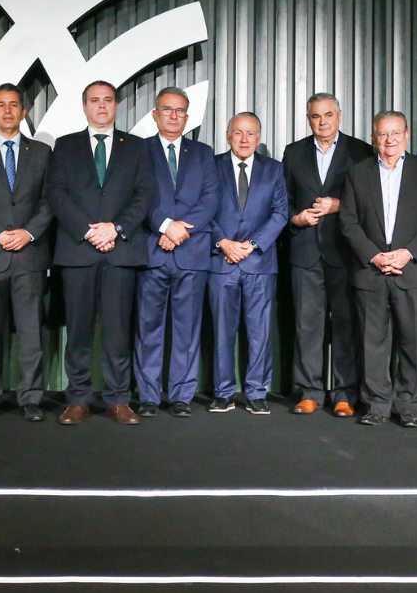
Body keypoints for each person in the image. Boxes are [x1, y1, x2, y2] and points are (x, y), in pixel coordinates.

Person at [46, 81, 153, 425]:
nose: (102, 106)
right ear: (85, 106)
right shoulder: (65, 146)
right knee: (78, 330)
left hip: (121, 251)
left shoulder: (135, 147)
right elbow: (56, 194)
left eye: (108, 100)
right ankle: (77, 399)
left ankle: (118, 399)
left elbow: (144, 195)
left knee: (118, 330)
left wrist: (115, 228)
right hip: (79, 251)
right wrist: (89, 231)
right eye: (95, 100)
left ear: (117, 106)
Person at [339, 111, 417, 427]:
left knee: (414, 343)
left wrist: (408, 253)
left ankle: (409, 408)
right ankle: (377, 405)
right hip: (371, 271)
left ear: (406, 135)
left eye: (395, 133)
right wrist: (374, 256)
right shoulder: (358, 172)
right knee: (373, 344)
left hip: (412, 271)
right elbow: (348, 221)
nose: (389, 140)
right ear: (374, 138)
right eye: (383, 134)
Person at [282, 93, 373, 416]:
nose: (322, 122)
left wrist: (338, 205)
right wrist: (296, 217)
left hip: (346, 253)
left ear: (339, 115)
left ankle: (345, 393)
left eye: (328, 115)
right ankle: (310, 392)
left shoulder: (361, 151)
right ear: (308, 119)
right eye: (316, 116)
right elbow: (284, 200)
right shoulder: (294, 152)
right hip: (305, 250)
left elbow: (372, 203)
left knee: (346, 326)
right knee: (307, 326)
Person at [0, 83, 53, 423]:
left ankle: (30, 398)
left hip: (30, 256)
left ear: (24, 111)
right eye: (0, 105)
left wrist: (29, 232)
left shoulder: (43, 153)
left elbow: (50, 200)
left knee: (31, 335)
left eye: (14, 105)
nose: (7, 111)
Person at [134, 87, 220, 418]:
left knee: (187, 329)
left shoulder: (203, 152)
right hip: (152, 250)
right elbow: (137, 196)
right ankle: (149, 397)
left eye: (180, 111)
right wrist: (165, 225)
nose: (174, 116)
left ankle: (182, 396)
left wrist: (180, 228)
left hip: (192, 251)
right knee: (149, 328)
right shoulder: (139, 150)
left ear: (188, 116)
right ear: (155, 115)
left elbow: (211, 198)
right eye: (167, 110)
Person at [206, 113, 288, 414]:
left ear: (258, 137)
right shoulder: (211, 166)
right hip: (221, 260)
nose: (244, 139)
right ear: (228, 136)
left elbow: (280, 214)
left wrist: (251, 245)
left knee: (259, 332)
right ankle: (223, 392)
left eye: (250, 133)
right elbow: (203, 210)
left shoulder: (274, 169)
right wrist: (224, 242)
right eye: (238, 133)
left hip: (260, 263)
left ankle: (256, 392)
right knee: (221, 331)